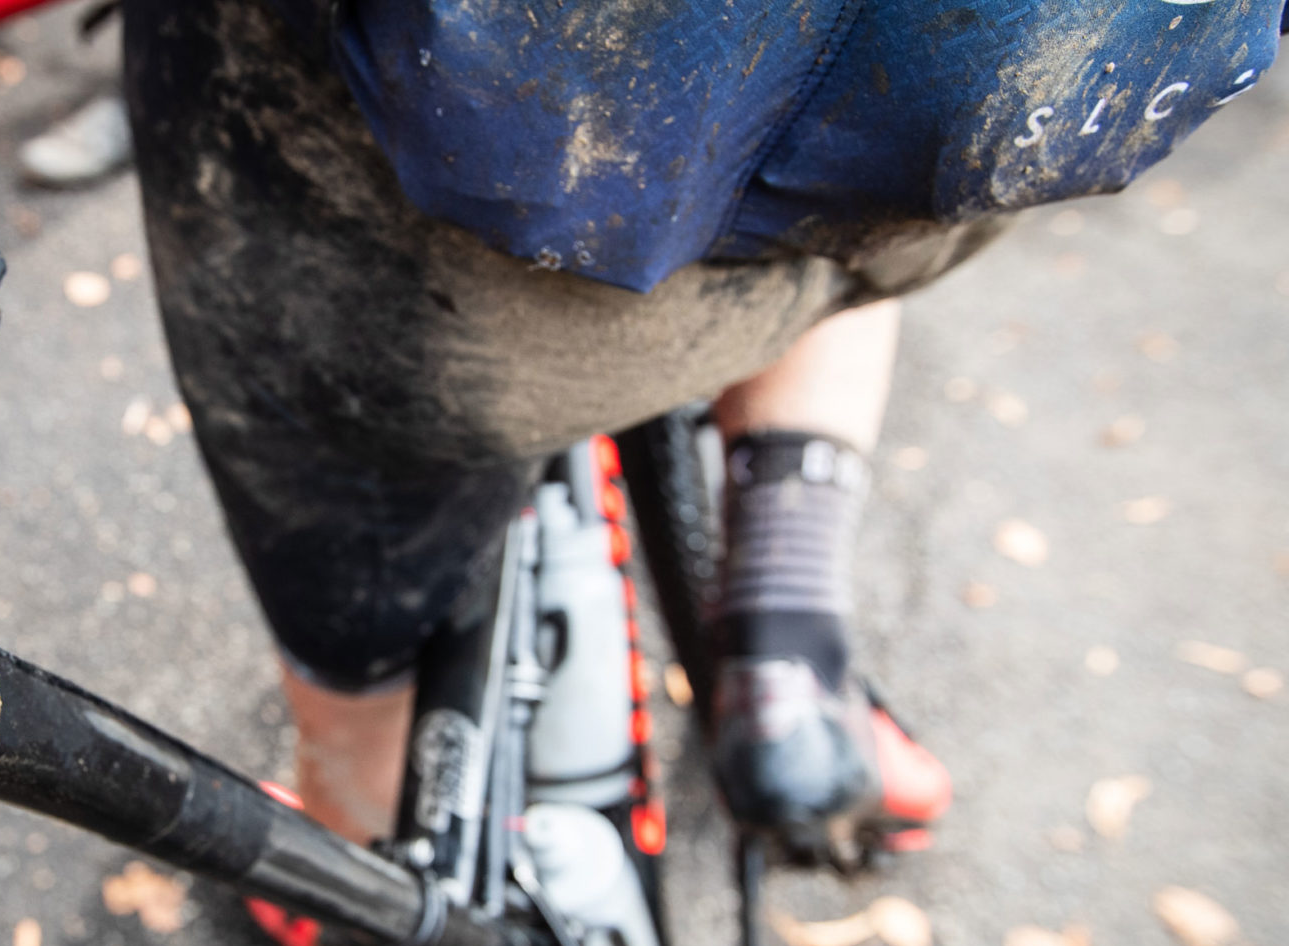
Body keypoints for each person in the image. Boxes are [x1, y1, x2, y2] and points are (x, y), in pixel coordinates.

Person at [115, 0, 1277, 858]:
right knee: (857, 194)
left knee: (340, 489)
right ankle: (787, 662)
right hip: (986, 143)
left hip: (456, 296)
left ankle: (367, 869)